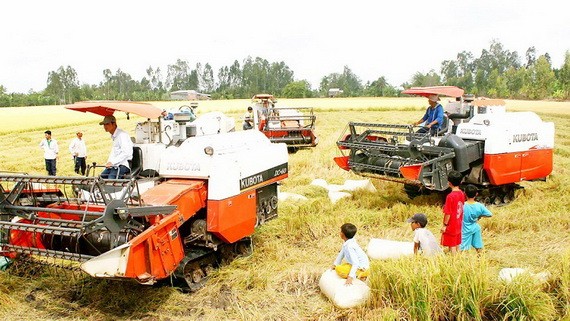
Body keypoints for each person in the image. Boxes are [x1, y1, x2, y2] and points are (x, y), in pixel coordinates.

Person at [461, 184, 492, 252]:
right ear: (476, 194)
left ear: (465, 193)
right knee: (478, 246)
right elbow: (489, 214)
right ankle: (480, 259)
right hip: (475, 227)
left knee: (463, 248)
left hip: (465, 229)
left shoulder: (463, 206)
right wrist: (480, 215)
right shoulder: (479, 205)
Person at [441, 170, 465, 254]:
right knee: (457, 242)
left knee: (452, 245)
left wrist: (445, 225)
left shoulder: (450, 196)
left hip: (451, 224)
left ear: (449, 183)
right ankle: (459, 258)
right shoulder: (462, 193)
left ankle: (454, 262)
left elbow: (448, 213)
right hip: (459, 222)